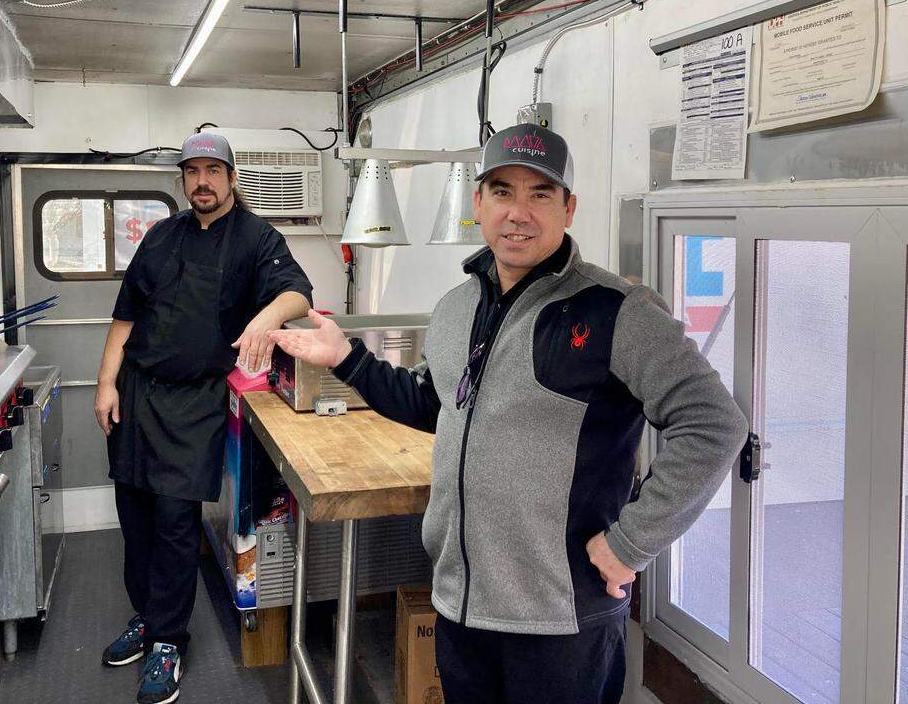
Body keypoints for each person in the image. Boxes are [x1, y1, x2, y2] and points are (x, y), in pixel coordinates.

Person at [269, 123, 747, 704]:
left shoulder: (617, 312)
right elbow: (435, 403)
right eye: (502, 191)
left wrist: (630, 543)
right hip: (461, 603)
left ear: (568, 208)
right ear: (478, 203)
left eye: (540, 194)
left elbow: (714, 424)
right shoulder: (455, 307)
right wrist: (347, 359)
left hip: (559, 616)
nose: (518, 212)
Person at [93, 130, 312, 704]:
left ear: (232, 177)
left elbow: (298, 294)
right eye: (192, 172)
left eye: (213, 171)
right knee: (134, 514)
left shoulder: (256, 239)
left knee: (173, 521)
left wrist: (264, 322)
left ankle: (169, 641)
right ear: (183, 181)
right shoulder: (162, 236)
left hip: (195, 403)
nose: (202, 182)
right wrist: (105, 383)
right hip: (138, 394)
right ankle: (147, 616)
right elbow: (125, 316)